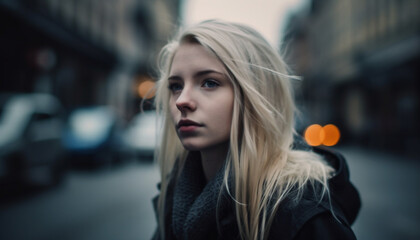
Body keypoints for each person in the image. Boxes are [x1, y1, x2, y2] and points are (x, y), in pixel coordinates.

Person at [151, 19, 361, 240]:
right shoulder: (173, 198)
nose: (182, 101)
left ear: (256, 94)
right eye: (176, 86)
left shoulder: (302, 213)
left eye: (209, 83)